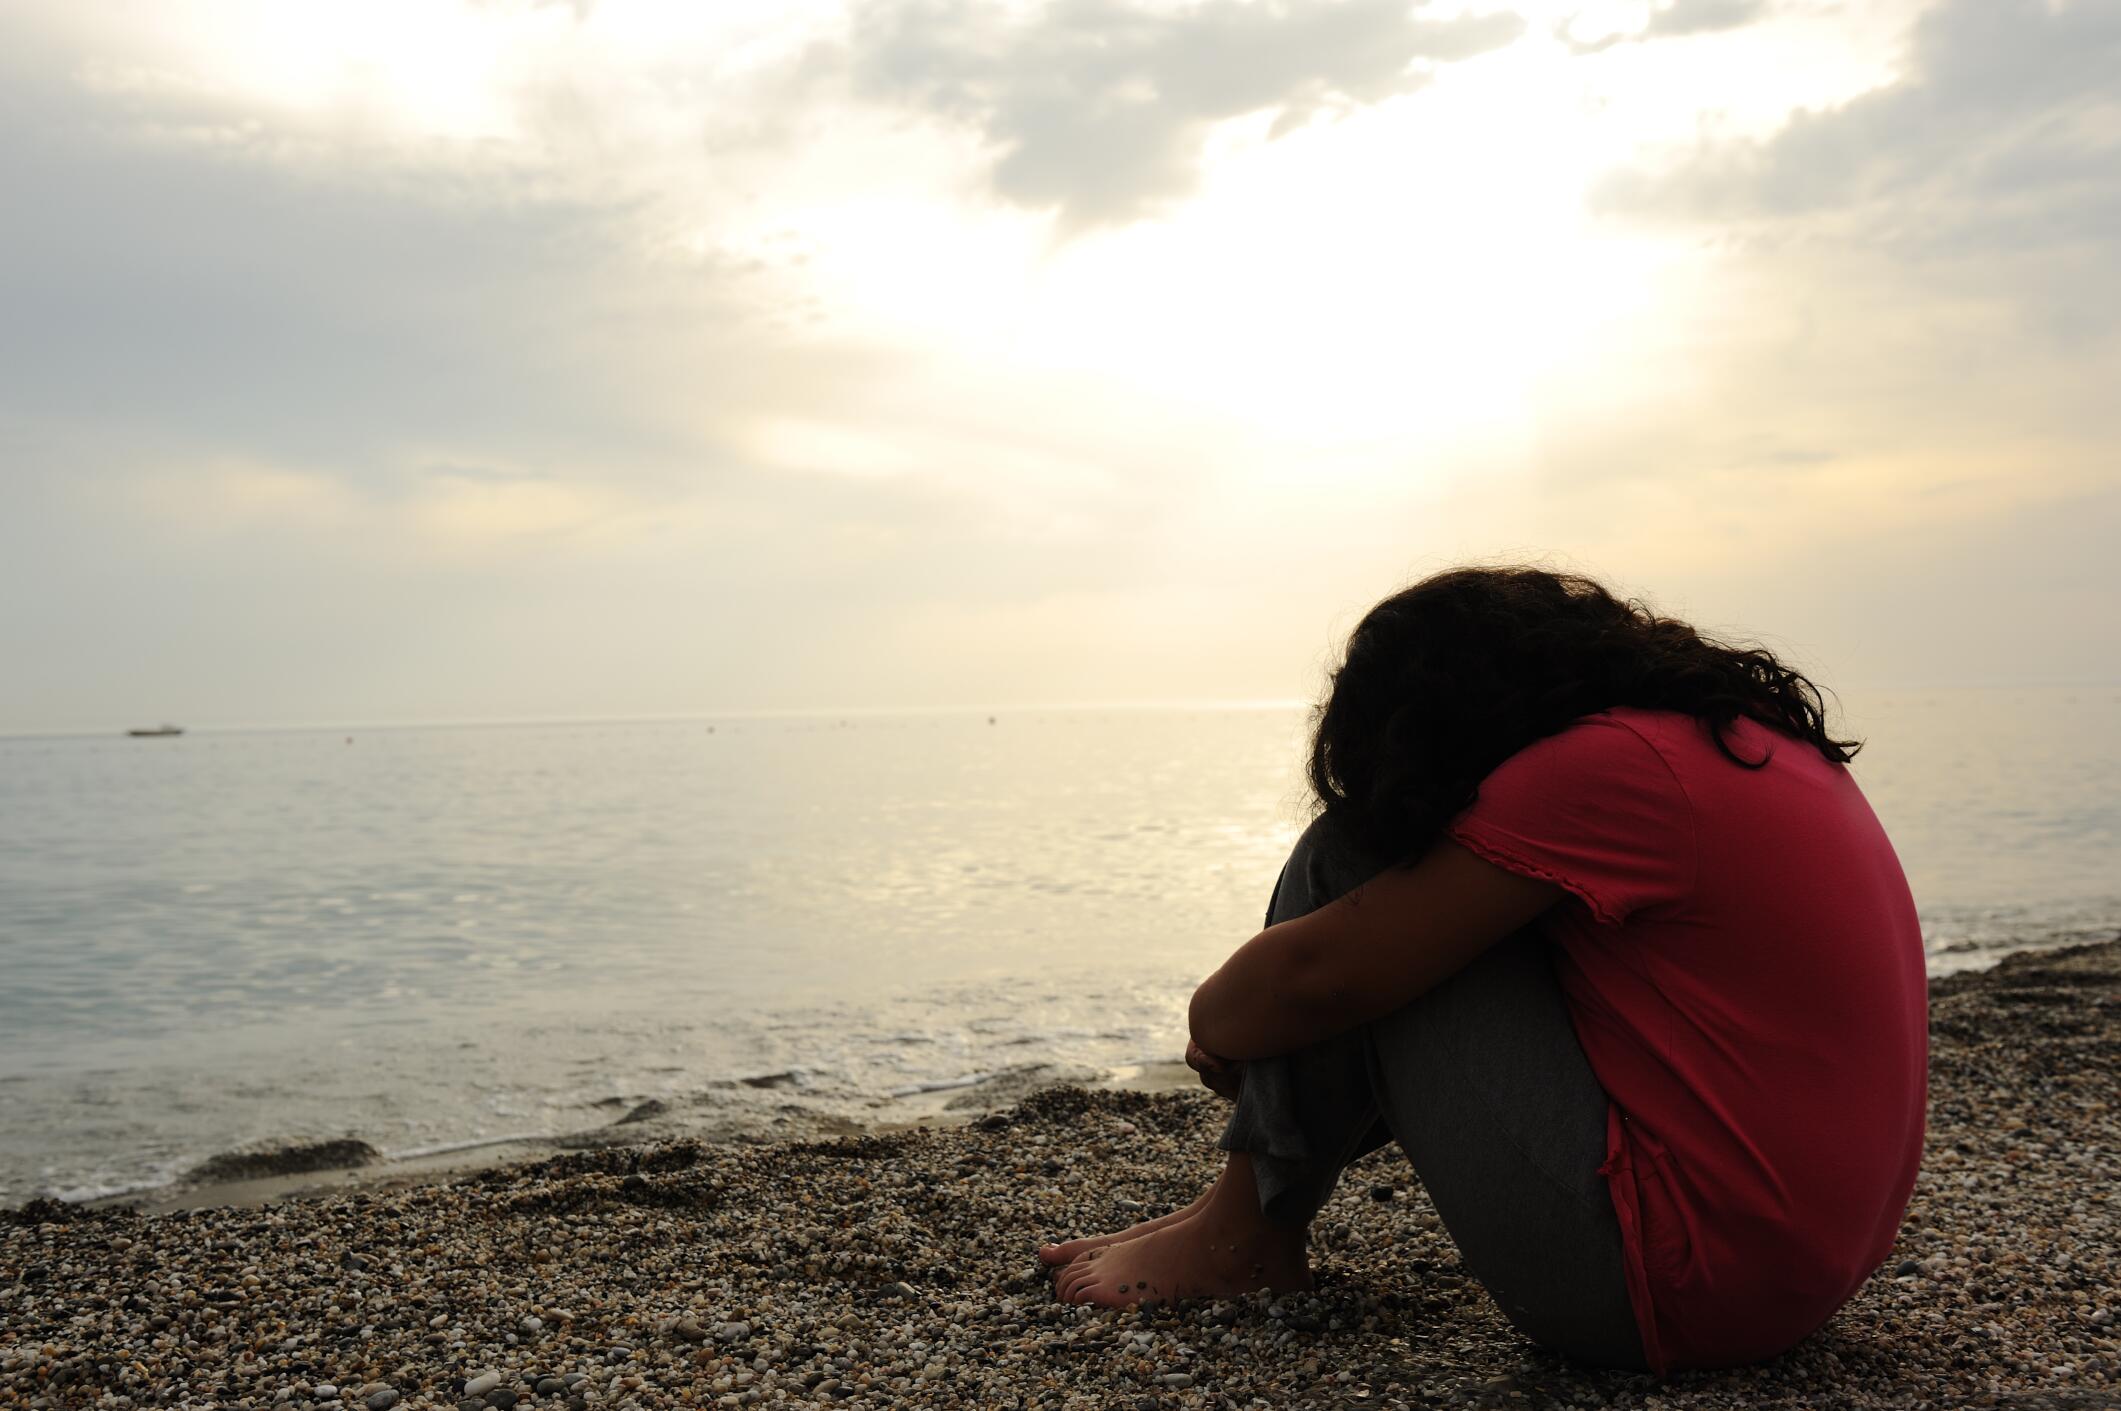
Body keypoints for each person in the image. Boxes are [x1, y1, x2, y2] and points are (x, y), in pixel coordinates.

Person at [1038, 567, 1927, 1374]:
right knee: (1411, 922)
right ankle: (1231, 1212)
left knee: (1352, 863)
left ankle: (1241, 1240)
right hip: (1793, 1277)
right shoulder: (1725, 740)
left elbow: (1292, 991)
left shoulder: (1602, 768)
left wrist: (1233, 1035)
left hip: (1671, 1290)